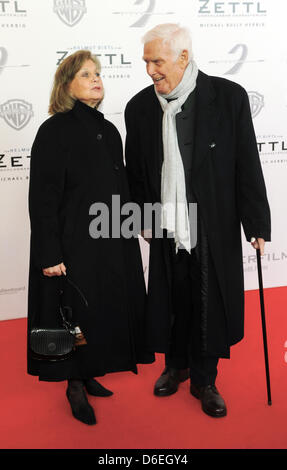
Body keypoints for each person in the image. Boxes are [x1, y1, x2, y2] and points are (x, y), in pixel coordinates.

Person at [124, 24, 271, 418]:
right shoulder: (139, 108)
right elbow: (135, 171)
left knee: (209, 301)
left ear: (183, 57)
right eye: (146, 62)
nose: (151, 70)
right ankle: (176, 366)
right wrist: (141, 216)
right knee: (172, 298)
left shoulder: (227, 98)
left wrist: (255, 223)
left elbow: (246, 164)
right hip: (166, 223)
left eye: (158, 61)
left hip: (212, 224)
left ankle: (205, 379)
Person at [27, 50, 153, 425]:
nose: (96, 79)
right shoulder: (53, 131)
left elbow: (122, 187)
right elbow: (43, 198)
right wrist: (49, 254)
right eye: (85, 74)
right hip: (73, 245)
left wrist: (141, 226)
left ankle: (90, 370)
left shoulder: (110, 130)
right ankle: (74, 385)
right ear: (66, 85)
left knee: (100, 311)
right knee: (74, 315)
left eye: (97, 73)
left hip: (111, 241)